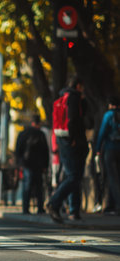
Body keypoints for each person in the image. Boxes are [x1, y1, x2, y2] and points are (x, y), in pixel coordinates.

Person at [47, 76, 88, 222]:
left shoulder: (63, 96)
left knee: (73, 176)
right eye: (82, 86)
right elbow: (73, 119)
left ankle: (73, 210)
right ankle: (54, 202)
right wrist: (73, 139)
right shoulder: (74, 97)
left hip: (61, 139)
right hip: (71, 143)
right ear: (78, 86)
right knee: (74, 176)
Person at [15, 114, 49, 214]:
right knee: (39, 187)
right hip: (38, 164)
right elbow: (45, 151)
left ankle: (25, 208)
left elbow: (18, 149)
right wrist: (45, 165)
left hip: (27, 164)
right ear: (38, 124)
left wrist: (20, 162)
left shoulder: (23, 133)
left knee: (27, 186)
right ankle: (40, 208)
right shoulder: (41, 134)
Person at [95, 96, 120, 215]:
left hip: (110, 149)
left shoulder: (109, 115)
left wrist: (98, 148)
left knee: (112, 177)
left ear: (111, 104)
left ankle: (117, 204)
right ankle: (111, 204)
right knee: (115, 177)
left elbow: (102, 132)